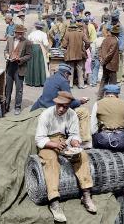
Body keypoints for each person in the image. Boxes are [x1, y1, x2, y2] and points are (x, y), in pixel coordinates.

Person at [35, 91, 97, 222]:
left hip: (64, 141)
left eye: (65, 106)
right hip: (47, 143)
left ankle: (86, 194)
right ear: (55, 103)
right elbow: (39, 139)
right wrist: (53, 144)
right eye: (59, 106)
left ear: (69, 105)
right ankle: (54, 201)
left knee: (82, 154)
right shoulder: (46, 115)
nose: (62, 109)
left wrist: (75, 141)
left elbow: (74, 134)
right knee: (51, 160)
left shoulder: (72, 114)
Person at [31, 63, 91, 145]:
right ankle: (84, 140)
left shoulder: (49, 78)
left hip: (42, 105)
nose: (68, 77)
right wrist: (80, 101)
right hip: (54, 107)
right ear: (66, 74)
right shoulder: (63, 81)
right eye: (68, 75)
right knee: (84, 112)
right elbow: (68, 102)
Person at [90, 84, 124, 151]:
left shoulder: (97, 104)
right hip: (123, 142)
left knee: (94, 137)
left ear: (105, 93)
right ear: (117, 94)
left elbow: (92, 130)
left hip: (103, 141)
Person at [4, 25, 32, 115]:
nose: (20, 35)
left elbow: (29, 55)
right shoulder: (10, 39)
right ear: (15, 33)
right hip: (10, 66)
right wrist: (7, 56)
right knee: (8, 88)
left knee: (19, 89)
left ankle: (17, 107)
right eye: (18, 33)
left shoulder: (27, 42)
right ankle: (6, 106)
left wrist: (20, 59)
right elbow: (6, 50)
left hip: (19, 67)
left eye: (21, 33)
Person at [62, 21, 90, 89]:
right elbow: (88, 42)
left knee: (70, 69)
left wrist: (67, 48)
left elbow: (64, 45)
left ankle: (70, 85)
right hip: (80, 54)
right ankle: (81, 85)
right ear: (76, 27)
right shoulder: (81, 33)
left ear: (70, 27)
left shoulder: (67, 34)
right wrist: (84, 48)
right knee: (80, 69)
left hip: (70, 54)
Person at [26, 22, 50, 87]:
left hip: (32, 48)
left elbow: (28, 41)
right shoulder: (43, 34)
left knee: (32, 63)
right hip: (40, 48)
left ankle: (31, 81)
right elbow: (46, 43)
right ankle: (40, 81)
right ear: (42, 28)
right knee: (40, 64)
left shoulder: (32, 33)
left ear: (36, 27)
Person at [98, 25, 120, 98]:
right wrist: (104, 61)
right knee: (113, 82)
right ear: (117, 34)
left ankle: (100, 95)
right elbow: (110, 54)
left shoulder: (105, 39)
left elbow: (100, 49)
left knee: (104, 80)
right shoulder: (115, 41)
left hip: (105, 64)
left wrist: (101, 58)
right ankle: (113, 96)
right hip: (111, 64)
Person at [111, 13, 124, 83]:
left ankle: (118, 78)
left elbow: (122, 39)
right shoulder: (114, 26)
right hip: (115, 48)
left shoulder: (120, 27)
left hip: (119, 48)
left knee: (119, 64)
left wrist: (120, 49)